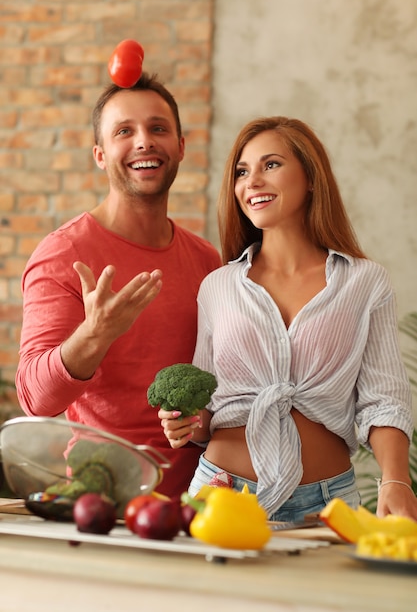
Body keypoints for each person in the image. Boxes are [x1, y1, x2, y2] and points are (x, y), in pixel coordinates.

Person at [159, 116, 417, 522]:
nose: (252, 181)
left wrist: (396, 481)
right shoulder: (217, 286)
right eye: (242, 172)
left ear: (311, 177)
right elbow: (207, 407)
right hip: (219, 492)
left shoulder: (365, 282)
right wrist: (185, 424)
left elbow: (383, 400)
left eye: (271, 165)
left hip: (329, 505)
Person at [15, 72, 221, 498]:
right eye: (124, 131)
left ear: (181, 147)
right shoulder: (63, 255)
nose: (144, 141)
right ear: (101, 154)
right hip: (105, 502)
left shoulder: (207, 261)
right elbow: (36, 399)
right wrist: (95, 334)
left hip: (199, 503)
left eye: (158, 128)